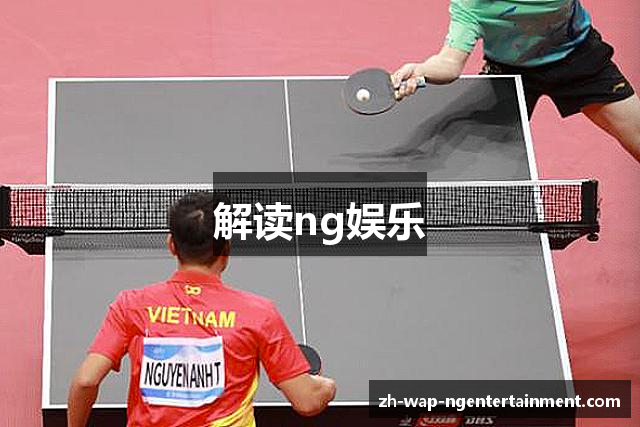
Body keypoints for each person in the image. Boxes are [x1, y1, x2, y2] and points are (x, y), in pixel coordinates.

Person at [67, 192, 336, 427]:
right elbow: (308, 401)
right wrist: (326, 387)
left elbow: (86, 381)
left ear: (171, 245)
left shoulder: (131, 305)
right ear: (226, 249)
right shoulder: (259, 314)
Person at [392, 0, 640, 163]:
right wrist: (421, 70)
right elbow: (449, 62)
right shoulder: (472, 4)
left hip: (578, 58)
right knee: (482, 165)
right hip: (509, 73)